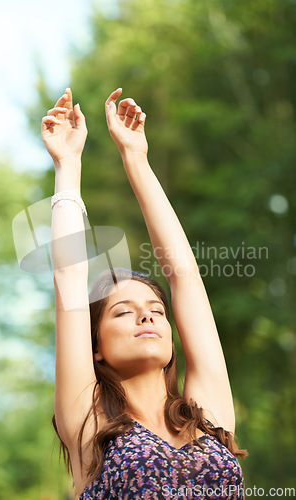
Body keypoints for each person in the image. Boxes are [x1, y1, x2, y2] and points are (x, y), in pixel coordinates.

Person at [41, 87, 248, 499]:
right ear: (94, 346)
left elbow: (185, 275)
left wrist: (136, 157)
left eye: (156, 309)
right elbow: (69, 276)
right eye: (123, 312)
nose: (147, 316)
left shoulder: (207, 416)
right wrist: (68, 163)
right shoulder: (91, 426)